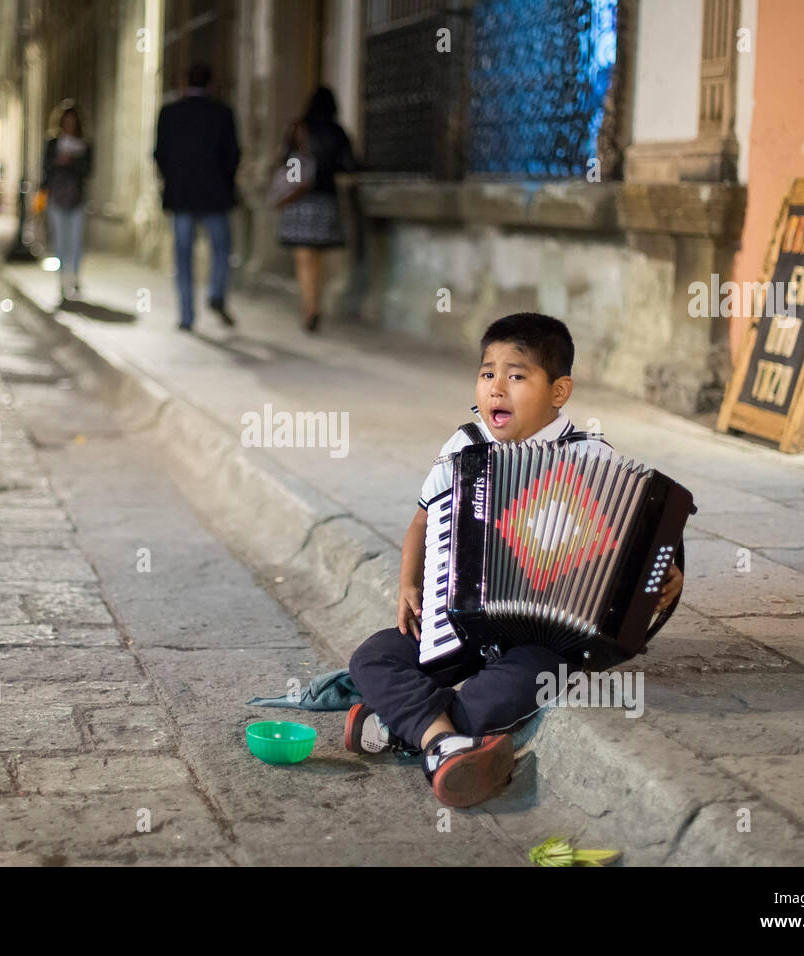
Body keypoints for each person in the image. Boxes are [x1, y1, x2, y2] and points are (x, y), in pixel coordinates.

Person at [344, 313, 685, 808]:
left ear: (559, 391)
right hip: (459, 622)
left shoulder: (592, 459)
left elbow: (639, 543)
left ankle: (410, 729)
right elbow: (421, 521)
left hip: (543, 639)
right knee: (372, 656)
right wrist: (408, 584)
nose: (496, 389)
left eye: (517, 375)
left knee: (524, 683)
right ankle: (442, 743)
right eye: (487, 374)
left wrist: (662, 576)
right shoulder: (465, 447)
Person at [153, 63, 240, 331]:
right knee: (222, 249)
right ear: (211, 84)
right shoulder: (223, 113)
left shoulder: (169, 113)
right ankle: (215, 292)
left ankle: (187, 316)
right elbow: (233, 155)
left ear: (184, 82)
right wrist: (222, 182)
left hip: (181, 196)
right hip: (215, 195)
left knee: (183, 256)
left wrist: (173, 181)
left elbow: (160, 154)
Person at [277, 87, 356, 332]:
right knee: (318, 258)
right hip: (325, 200)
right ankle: (315, 305)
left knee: (304, 258)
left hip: (299, 200)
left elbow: (285, 163)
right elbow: (351, 164)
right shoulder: (338, 132)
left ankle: (310, 307)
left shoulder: (297, 129)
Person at [41, 105, 93, 304]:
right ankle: (63, 281)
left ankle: (75, 277)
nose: (70, 125)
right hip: (57, 197)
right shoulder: (53, 143)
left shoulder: (85, 145)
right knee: (60, 241)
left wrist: (72, 161)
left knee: (76, 241)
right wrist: (58, 161)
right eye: (66, 121)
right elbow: (45, 168)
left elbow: (88, 170)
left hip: (77, 198)